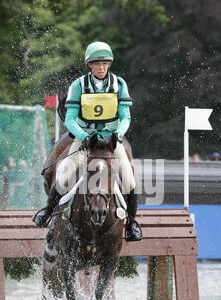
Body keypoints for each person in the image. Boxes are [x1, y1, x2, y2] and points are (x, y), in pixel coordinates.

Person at [33, 41, 142, 241]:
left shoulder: (119, 84)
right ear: (89, 65)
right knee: (64, 175)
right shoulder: (78, 85)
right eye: (97, 63)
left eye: (105, 63)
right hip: (85, 138)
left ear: (109, 64)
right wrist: (83, 136)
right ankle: (48, 213)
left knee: (129, 178)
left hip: (110, 140)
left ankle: (132, 224)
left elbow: (125, 116)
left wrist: (118, 133)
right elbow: (69, 119)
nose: (101, 67)